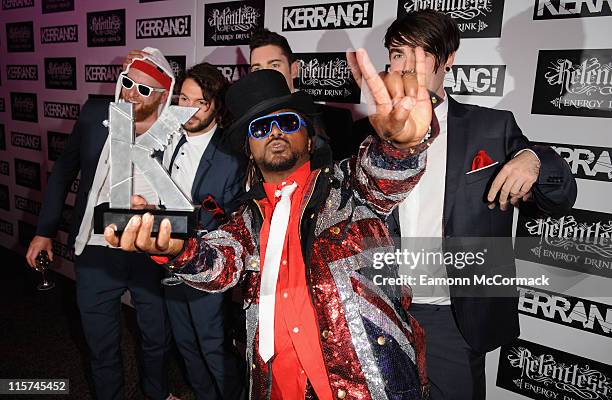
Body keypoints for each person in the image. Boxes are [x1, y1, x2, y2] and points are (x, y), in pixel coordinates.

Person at [105, 47, 438, 400]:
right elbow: (220, 263)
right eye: (261, 127)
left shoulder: (350, 187)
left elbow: (383, 176)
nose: (275, 132)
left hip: (367, 388)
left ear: (309, 137)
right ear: (249, 148)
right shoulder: (247, 218)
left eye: (288, 122)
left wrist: (402, 145)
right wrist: (176, 249)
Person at [372, 11, 577, 400]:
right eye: (399, 54)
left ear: (448, 58)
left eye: (421, 52)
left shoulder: (491, 127)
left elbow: (561, 197)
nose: (408, 65)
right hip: (381, 314)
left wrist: (534, 160)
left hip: (452, 319)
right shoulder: (367, 136)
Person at [26, 48, 178, 400]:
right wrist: (44, 231)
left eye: (143, 89)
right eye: (127, 83)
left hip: (149, 251)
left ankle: (157, 393)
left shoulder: (177, 130)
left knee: (157, 337)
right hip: (95, 252)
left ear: (163, 96)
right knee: (101, 342)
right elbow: (64, 171)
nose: (129, 93)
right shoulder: (97, 115)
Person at [159, 62, 246, 400]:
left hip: (208, 263)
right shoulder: (166, 139)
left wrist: (204, 219)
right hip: (168, 260)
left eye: (199, 102)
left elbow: (237, 215)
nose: (188, 109)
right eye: (183, 99)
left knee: (212, 345)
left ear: (215, 106)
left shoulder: (231, 152)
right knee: (184, 344)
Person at [249, 29, 355, 161]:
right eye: (257, 69)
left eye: (274, 65)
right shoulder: (246, 125)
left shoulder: (336, 121)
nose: (265, 76)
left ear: (294, 69)